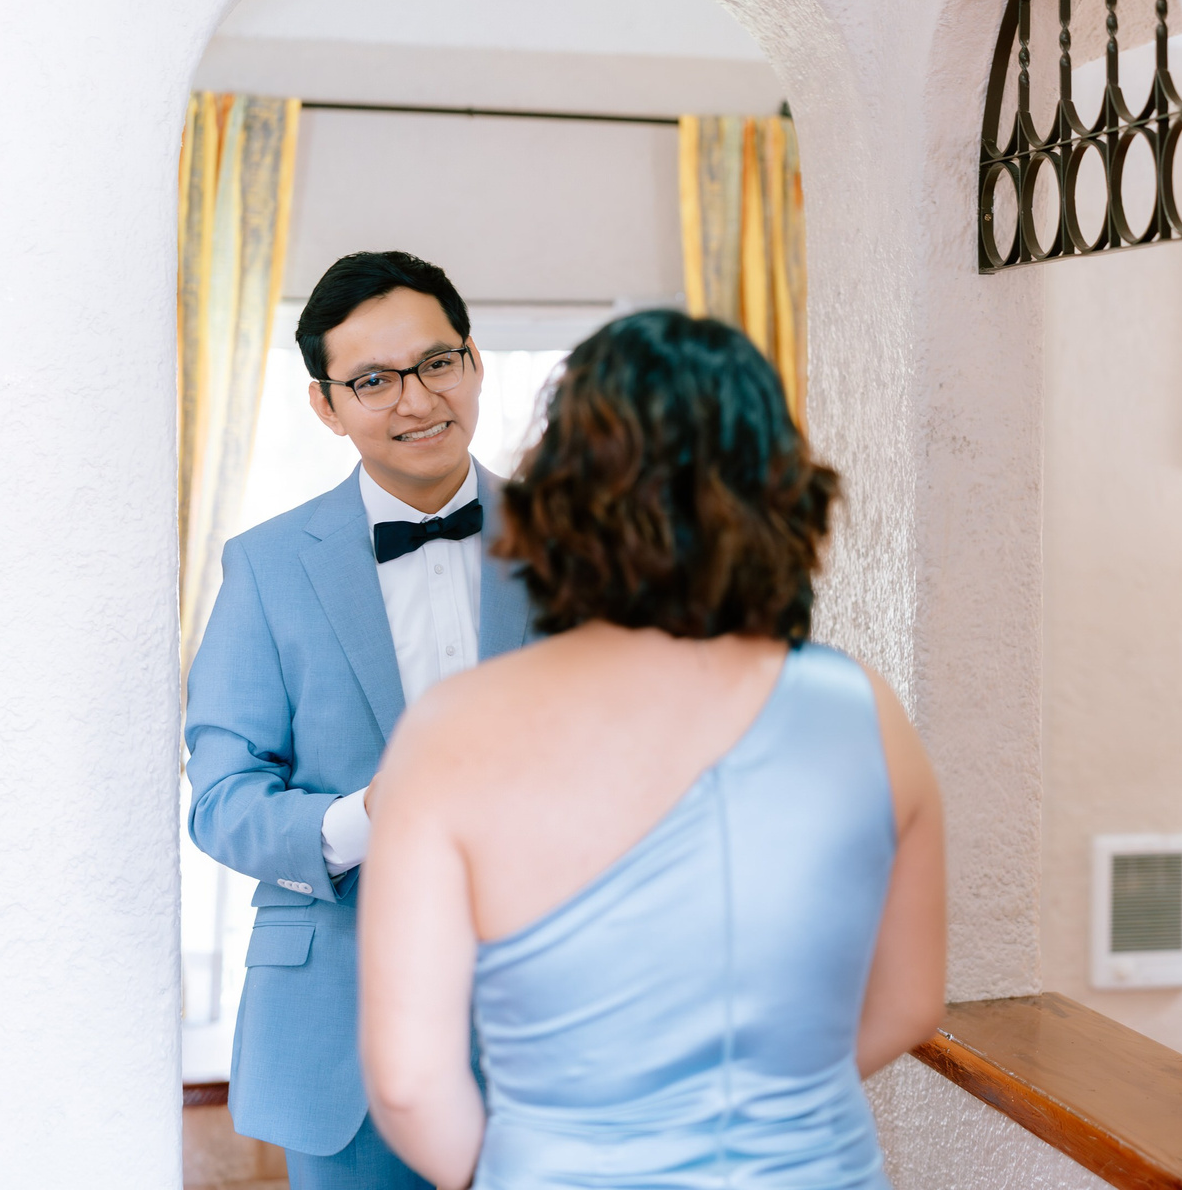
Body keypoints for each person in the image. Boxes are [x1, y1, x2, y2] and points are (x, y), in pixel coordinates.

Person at [356, 310, 947, 1190]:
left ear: (562, 494)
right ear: (776, 489)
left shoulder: (452, 732)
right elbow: (908, 1005)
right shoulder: (863, 708)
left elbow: (409, 1086)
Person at [186, 251, 534, 1189]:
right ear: (327, 406)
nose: (417, 400)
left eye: (438, 363)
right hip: (341, 1031)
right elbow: (222, 800)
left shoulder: (585, 545)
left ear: (474, 363)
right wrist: (365, 816)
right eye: (374, 381)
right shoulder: (267, 567)